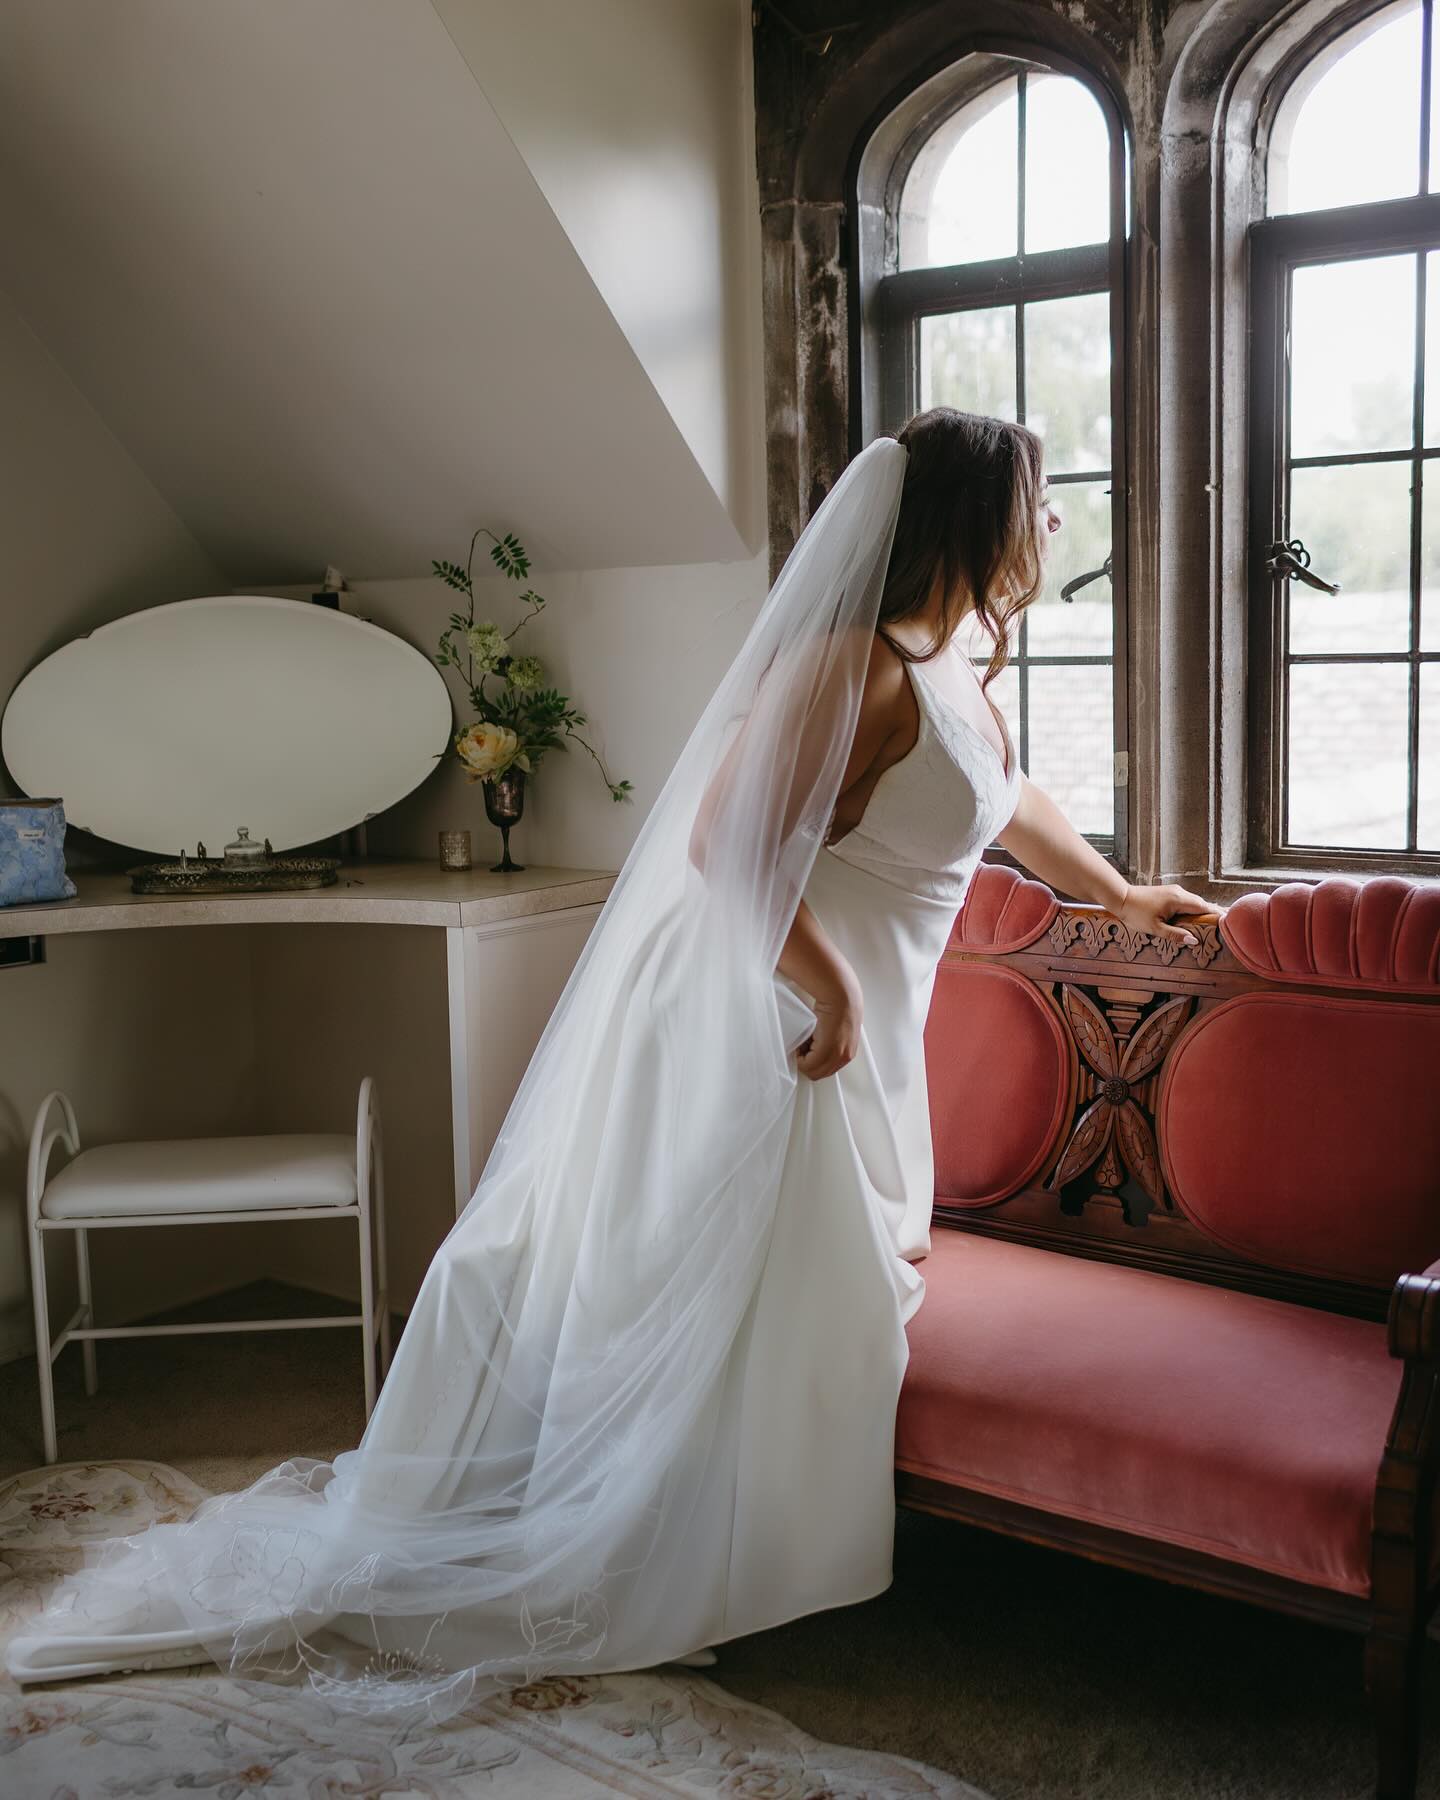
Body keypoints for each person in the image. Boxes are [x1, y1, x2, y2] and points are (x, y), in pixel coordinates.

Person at [6, 407, 1215, 1717]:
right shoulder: (850, 665)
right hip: (780, 1028)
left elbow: (1007, 802)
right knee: (767, 1297)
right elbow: (724, 839)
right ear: (977, 518)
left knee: (814, 1293)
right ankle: (646, 1542)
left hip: (851, 1033)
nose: (1049, 525)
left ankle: (737, 1538)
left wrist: (1127, 892)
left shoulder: (948, 670)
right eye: (1036, 501)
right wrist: (831, 995)